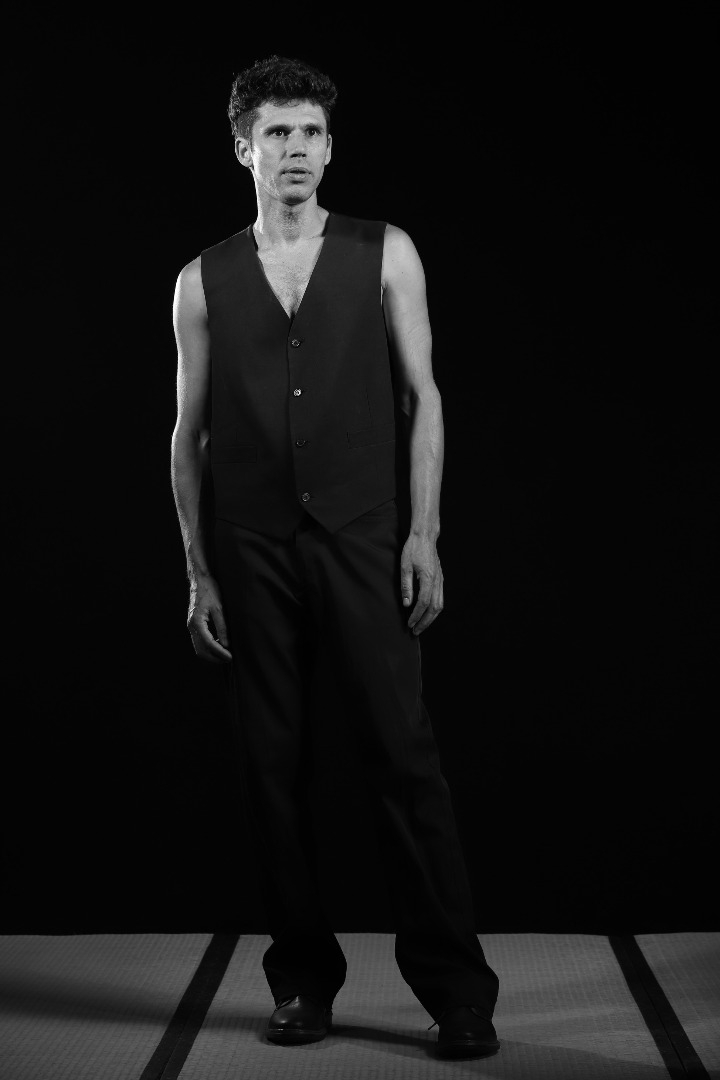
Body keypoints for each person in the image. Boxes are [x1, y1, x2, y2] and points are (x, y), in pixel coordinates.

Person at [170, 54, 500, 1061]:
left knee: (403, 756)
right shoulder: (201, 280)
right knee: (273, 768)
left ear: (329, 146)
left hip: (363, 535)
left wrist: (423, 533)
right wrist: (198, 569)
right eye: (277, 133)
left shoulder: (385, 251)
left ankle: (457, 993)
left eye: (311, 132)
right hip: (252, 546)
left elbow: (423, 397)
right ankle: (302, 983)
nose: (297, 150)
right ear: (243, 148)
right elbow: (188, 435)